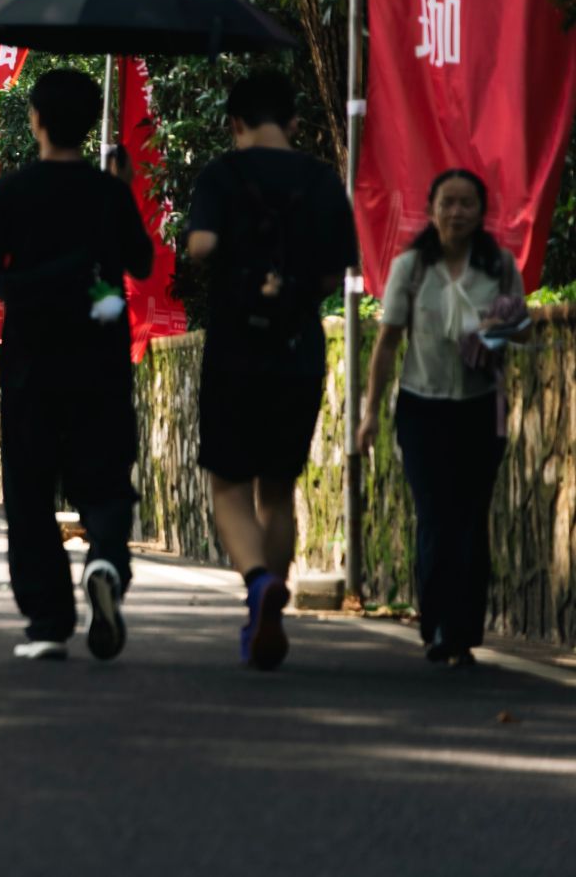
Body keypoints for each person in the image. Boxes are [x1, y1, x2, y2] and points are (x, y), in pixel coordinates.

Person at [0, 69, 155, 662]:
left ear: (37, 121)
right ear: (90, 122)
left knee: (30, 485)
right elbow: (142, 266)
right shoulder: (108, 193)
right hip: (100, 356)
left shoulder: (12, 192)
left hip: (31, 358)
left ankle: (48, 620)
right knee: (104, 472)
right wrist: (122, 189)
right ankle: (106, 562)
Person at [186, 69, 358, 670]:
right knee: (278, 487)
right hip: (297, 348)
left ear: (235, 122)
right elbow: (335, 271)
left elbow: (201, 246)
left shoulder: (222, 175)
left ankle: (258, 582)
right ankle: (270, 613)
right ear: (292, 122)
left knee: (229, 484)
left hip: (235, 347)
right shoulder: (321, 180)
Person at [359, 169, 528, 667]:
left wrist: (496, 326)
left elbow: (521, 328)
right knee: (435, 516)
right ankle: (436, 625)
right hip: (423, 407)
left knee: (471, 519)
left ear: (481, 211)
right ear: (432, 210)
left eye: (466, 203)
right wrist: (370, 413)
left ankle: (464, 633)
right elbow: (388, 342)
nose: (456, 212)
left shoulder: (498, 265)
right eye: (447, 203)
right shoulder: (411, 267)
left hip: (481, 407)